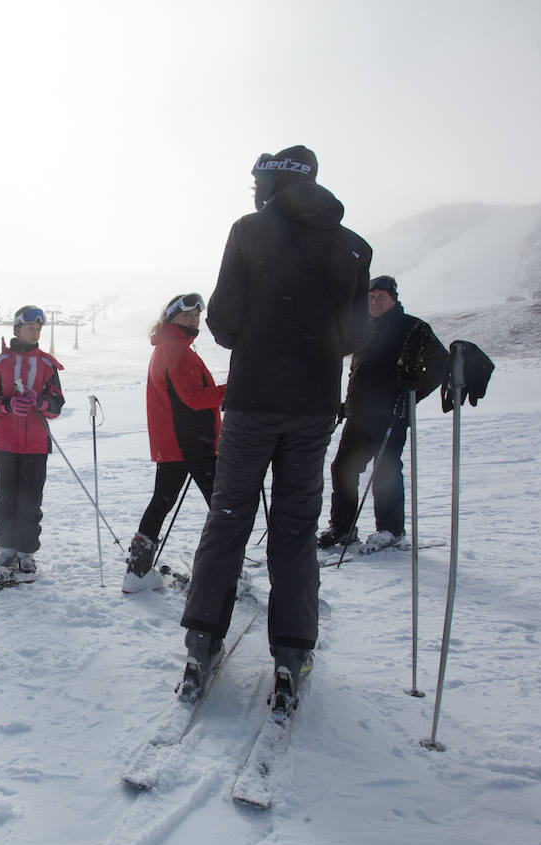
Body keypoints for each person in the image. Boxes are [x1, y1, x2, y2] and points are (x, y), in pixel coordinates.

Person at [177, 145, 372, 711]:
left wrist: (266, 336)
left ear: (269, 182)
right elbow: (356, 337)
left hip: (254, 400)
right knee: (294, 528)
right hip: (313, 406)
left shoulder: (248, 230)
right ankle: (292, 650)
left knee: (230, 515)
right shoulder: (353, 246)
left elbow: (224, 321)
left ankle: (202, 638)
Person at [319, 275, 447, 553]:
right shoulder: (363, 329)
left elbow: (440, 364)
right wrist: (345, 405)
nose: (374, 301)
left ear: (394, 298)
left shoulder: (413, 328)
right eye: (371, 296)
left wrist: (414, 391)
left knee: (386, 472)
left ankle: (391, 530)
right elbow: (359, 373)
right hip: (358, 414)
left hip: (393, 414)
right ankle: (343, 528)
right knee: (343, 468)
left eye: (381, 296)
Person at [123, 292, 225, 593]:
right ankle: (222, 571)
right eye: (186, 314)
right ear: (171, 318)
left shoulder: (171, 346)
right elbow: (193, 397)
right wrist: (230, 391)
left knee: (163, 501)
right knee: (223, 505)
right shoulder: (175, 348)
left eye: (196, 315)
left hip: (178, 441)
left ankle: (138, 572)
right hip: (191, 441)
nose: (193, 319)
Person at [0, 306, 65, 579]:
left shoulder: (47, 364)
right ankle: (6, 549)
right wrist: (7, 403)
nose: (35, 332)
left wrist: (40, 402)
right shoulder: (1, 361)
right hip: (5, 442)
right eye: (30, 328)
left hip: (37, 444)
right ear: (17, 329)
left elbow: (56, 405)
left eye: (39, 329)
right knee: (7, 499)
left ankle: (26, 551)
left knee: (30, 500)